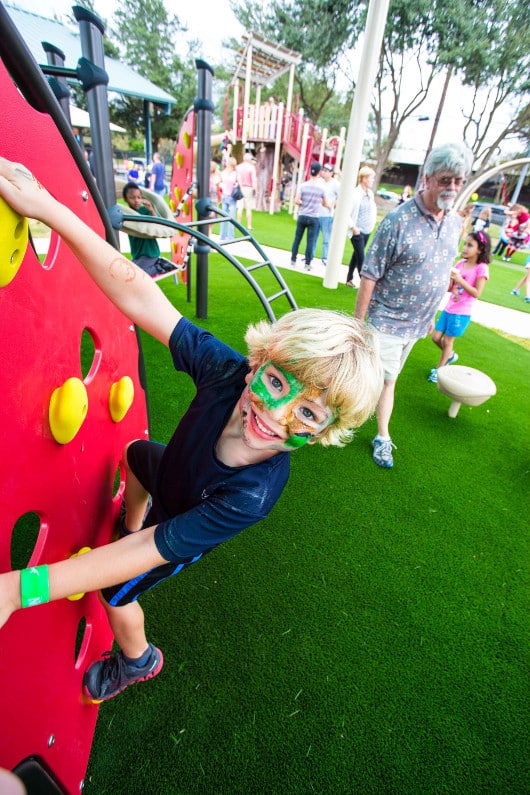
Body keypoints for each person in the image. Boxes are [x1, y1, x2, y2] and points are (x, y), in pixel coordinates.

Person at [0, 157, 384, 702]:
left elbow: (152, 550)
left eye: (309, 414)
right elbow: (139, 292)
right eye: (278, 383)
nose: (277, 416)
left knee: (115, 592)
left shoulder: (250, 496)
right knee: (135, 453)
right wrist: (46, 207)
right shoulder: (228, 373)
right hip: (172, 474)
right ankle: (128, 519)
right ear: (257, 364)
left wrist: (19, 589)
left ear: (324, 432)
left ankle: (138, 659)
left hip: (186, 516)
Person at [354, 141, 473, 468]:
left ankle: (342, 406)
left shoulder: (453, 222)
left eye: (458, 181)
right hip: (387, 321)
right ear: (429, 178)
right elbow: (369, 275)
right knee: (386, 380)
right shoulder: (398, 220)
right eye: (445, 179)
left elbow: (443, 264)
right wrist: (357, 325)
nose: (452, 187)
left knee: (375, 377)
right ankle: (382, 437)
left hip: (418, 325)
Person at [427, 230, 491, 383]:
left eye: (470, 245)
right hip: (449, 308)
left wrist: (460, 280)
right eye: (465, 244)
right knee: (435, 337)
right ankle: (450, 356)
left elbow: (476, 293)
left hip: (461, 312)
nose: (465, 248)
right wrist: (448, 278)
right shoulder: (460, 264)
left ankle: (439, 370)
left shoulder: (481, 268)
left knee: (448, 342)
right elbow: (451, 288)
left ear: (480, 249)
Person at [122, 182, 176, 277]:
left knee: (138, 276)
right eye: (132, 198)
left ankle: (161, 266)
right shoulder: (126, 213)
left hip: (150, 253)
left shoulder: (144, 211)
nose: (136, 201)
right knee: (129, 272)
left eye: (139, 197)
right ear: (126, 199)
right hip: (137, 253)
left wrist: (151, 210)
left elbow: (158, 225)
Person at [290, 162, 330, 272]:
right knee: (310, 241)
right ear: (319, 172)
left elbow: (296, 200)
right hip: (314, 217)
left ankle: (293, 259)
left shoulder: (303, 186)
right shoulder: (322, 188)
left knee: (297, 238)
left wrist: (305, 203)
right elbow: (325, 203)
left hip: (302, 215)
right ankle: (307, 263)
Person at [345, 166, 377, 287]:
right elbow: (346, 212)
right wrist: (353, 227)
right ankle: (365, 284)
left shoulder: (370, 194)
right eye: (371, 178)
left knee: (356, 255)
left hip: (367, 230)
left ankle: (349, 279)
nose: (372, 180)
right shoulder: (355, 194)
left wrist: (372, 224)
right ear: (364, 178)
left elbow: (372, 210)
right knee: (361, 258)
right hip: (357, 231)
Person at [317, 163, 340, 266]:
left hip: (327, 214)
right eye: (323, 170)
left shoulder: (335, 184)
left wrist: (332, 204)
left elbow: (340, 197)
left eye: (327, 171)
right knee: (313, 236)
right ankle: (310, 256)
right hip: (316, 213)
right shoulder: (319, 182)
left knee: (326, 237)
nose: (324, 172)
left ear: (331, 173)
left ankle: (325, 257)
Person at [219, 156, 238, 241]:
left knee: (223, 217)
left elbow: (220, 183)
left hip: (224, 195)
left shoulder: (223, 173)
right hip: (232, 197)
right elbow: (238, 184)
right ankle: (230, 236)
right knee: (231, 218)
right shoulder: (235, 174)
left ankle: (222, 235)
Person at [236, 153, 257, 230]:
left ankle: (238, 223)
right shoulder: (251, 168)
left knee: (240, 207)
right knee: (248, 207)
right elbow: (254, 180)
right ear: (249, 160)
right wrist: (256, 189)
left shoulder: (238, 167)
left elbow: (237, 178)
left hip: (240, 187)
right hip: (248, 187)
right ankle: (249, 225)